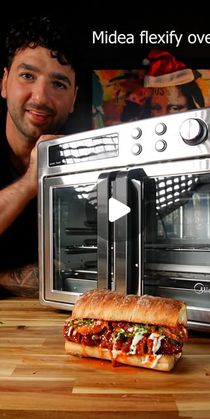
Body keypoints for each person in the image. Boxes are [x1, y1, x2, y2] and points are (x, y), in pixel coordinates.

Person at [0, 16, 79, 297]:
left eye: (58, 84)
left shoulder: (91, 160)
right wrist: (30, 182)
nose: (41, 97)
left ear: (73, 99)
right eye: (27, 76)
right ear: (5, 82)